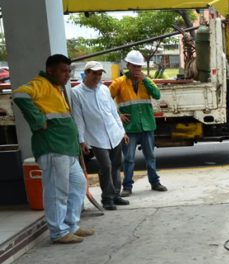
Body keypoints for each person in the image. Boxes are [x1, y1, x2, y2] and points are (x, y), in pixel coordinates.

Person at [12, 54, 95, 244]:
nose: (67, 75)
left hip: (66, 149)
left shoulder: (55, 87)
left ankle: (71, 225)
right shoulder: (40, 83)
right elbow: (19, 94)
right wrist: (37, 120)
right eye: (63, 71)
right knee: (57, 192)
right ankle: (58, 232)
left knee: (78, 185)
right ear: (51, 70)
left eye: (69, 71)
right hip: (53, 148)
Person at [71, 61, 130, 210]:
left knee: (116, 165)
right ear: (87, 73)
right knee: (106, 166)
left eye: (99, 74)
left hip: (114, 134)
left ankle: (116, 195)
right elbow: (78, 118)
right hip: (96, 137)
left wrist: (122, 131)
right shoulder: (77, 93)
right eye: (94, 73)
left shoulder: (104, 89)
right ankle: (107, 198)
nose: (97, 76)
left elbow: (113, 111)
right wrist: (81, 140)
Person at [110, 50, 167, 197]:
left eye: (139, 67)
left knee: (150, 156)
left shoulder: (145, 81)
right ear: (128, 65)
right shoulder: (119, 83)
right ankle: (127, 186)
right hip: (130, 128)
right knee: (128, 159)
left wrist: (145, 80)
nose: (137, 69)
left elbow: (157, 94)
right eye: (134, 66)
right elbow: (106, 101)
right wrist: (118, 115)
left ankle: (155, 182)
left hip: (147, 125)